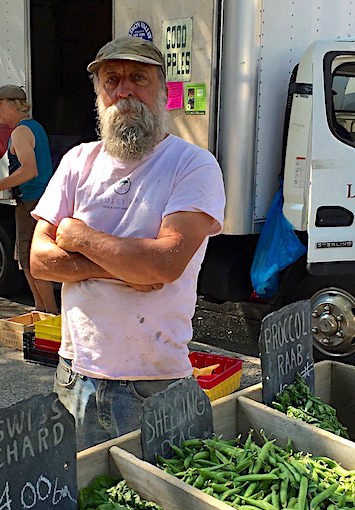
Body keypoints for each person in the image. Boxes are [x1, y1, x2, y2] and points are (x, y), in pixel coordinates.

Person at [30, 36, 225, 451]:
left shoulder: (193, 165)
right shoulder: (77, 162)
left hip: (153, 387)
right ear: (99, 92)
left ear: (162, 88)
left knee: (161, 508)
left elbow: (162, 265)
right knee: (86, 507)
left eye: (139, 77)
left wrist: (78, 237)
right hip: (74, 377)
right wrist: (124, 266)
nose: (124, 90)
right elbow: (40, 260)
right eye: (111, 79)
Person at [0, 85, 58, 313]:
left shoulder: (20, 132)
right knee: (31, 257)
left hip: (31, 202)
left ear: (14, 104)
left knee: (30, 257)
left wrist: (2, 184)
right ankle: (41, 309)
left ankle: (47, 312)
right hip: (39, 200)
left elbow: (29, 170)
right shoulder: (34, 128)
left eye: (1, 105)